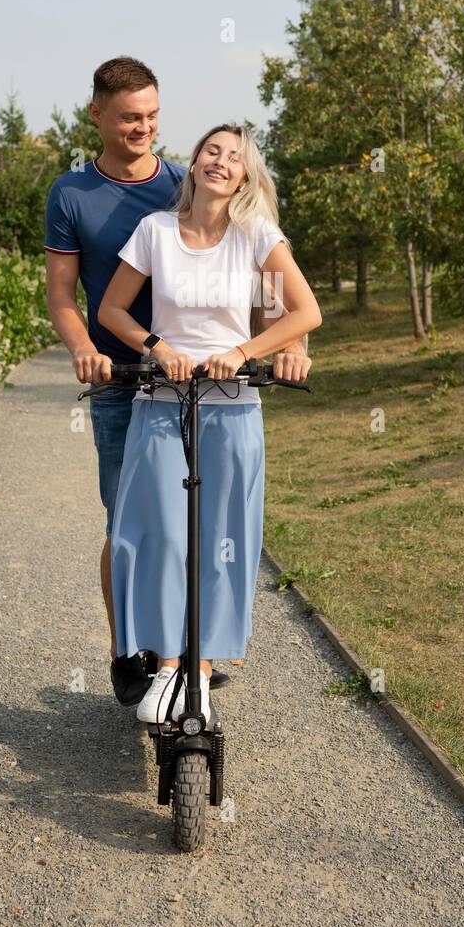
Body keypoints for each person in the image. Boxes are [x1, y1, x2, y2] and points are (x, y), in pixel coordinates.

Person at [43, 57, 311, 708]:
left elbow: (266, 274)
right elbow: (63, 297)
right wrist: (85, 350)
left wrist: (292, 340)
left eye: (154, 117)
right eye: (131, 118)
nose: (144, 129)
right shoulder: (72, 194)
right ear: (98, 115)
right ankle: (131, 655)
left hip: (214, 384)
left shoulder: (180, 184)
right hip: (122, 378)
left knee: (205, 521)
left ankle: (193, 655)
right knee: (133, 521)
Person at [97, 122, 322, 724]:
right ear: (193, 164)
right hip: (163, 400)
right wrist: (155, 344)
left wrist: (247, 350)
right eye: (212, 151)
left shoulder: (255, 236)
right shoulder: (156, 232)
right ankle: (167, 665)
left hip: (232, 404)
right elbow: (112, 309)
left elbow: (302, 312)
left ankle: (199, 670)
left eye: (235, 157)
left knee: (223, 537)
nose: (221, 161)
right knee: (160, 533)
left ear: (246, 175)